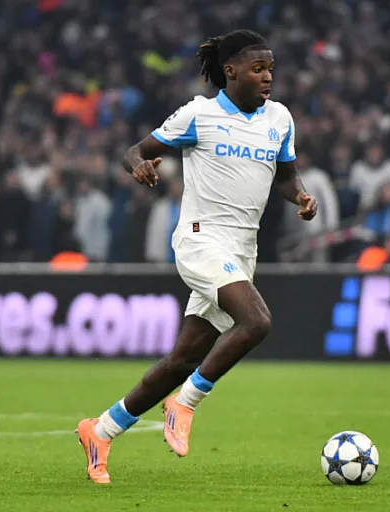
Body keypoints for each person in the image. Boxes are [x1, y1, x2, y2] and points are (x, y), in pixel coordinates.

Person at [75, 30, 318, 484]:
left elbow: (285, 176)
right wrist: (139, 166)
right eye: (258, 69)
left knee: (183, 359)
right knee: (256, 322)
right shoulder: (200, 114)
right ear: (231, 71)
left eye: (270, 69)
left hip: (242, 251)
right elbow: (134, 151)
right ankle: (185, 402)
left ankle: (100, 430)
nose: (268, 77)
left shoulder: (279, 118)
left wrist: (301, 197)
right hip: (200, 240)